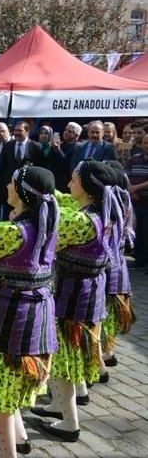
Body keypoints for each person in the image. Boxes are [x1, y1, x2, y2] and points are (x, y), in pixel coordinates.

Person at [0, 166, 60, 458]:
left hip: (12, 319)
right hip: (40, 315)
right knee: (12, 384)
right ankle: (19, 440)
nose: (7, 186)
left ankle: (7, 453)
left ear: (21, 193)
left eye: (11, 183)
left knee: (1, 391)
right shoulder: (48, 222)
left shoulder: (12, 233)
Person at [30, 160, 117, 442]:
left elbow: (46, 240)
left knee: (65, 357)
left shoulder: (80, 221)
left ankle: (70, 424)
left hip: (75, 293)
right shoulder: (103, 210)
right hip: (90, 290)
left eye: (73, 180)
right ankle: (61, 404)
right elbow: (62, 197)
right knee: (73, 352)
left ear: (87, 186)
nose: (69, 184)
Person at [98, 161, 135, 373]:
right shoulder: (123, 200)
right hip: (118, 267)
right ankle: (108, 353)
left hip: (109, 269)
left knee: (103, 314)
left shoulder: (109, 205)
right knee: (108, 314)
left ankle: (102, 361)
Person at [126, 126, 148, 269]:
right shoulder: (135, 158)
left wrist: (136, 188)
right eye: (145, 143)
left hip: (146, 201)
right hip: (135, 201)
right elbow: (126, 173)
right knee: (138, 231)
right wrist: (131, 190)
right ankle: (139, 260)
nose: (147, 145)